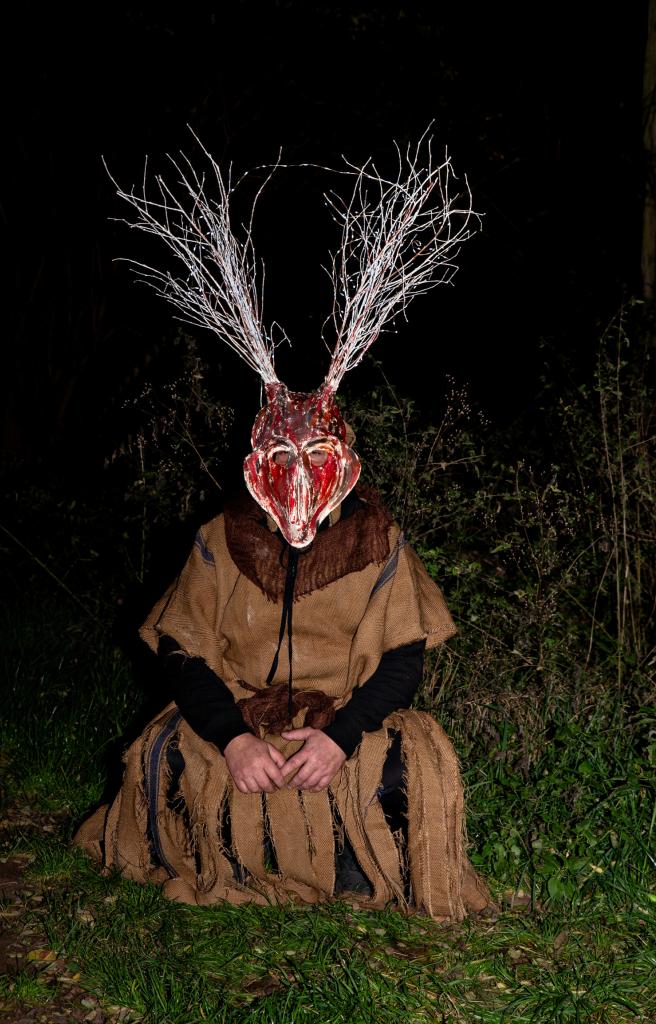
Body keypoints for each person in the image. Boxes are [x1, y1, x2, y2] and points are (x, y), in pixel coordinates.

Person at [74, 139, 493, 920]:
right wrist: (232, 736)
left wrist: (342, 736)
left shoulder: (378, 541)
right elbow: (183, 648)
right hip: (240, 713)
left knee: (410, 769)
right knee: (165, 758)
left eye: (316, 459)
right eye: (281, 460)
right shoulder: (220, 537)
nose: (298, 478)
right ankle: (231, 853)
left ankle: (352, 867)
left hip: (342, 719)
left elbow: (404, 657)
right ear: (256, 464)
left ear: (345, 461)